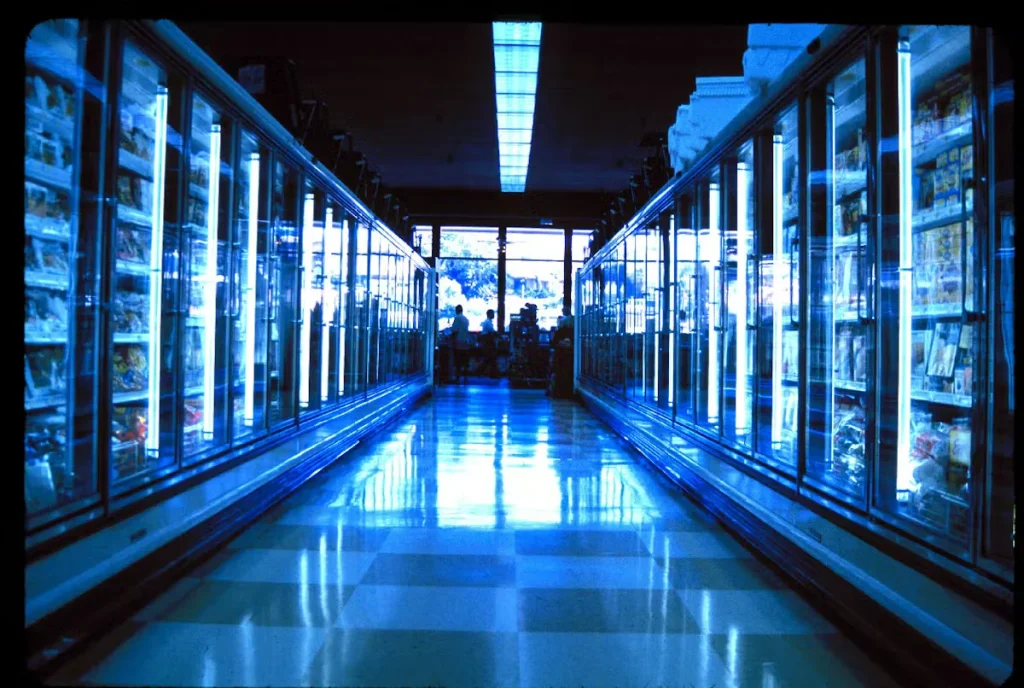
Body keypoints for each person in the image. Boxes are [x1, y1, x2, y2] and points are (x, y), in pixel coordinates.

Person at [450, 304, 471, 384]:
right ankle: (465, 378)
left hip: (459, 342)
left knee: (458, 361)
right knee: (465, 361)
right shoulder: (466, 319)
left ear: (456, 310)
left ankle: (457, 378)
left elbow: (454, 329)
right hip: (466, 342)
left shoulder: (457, 318)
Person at [476, 309, 498, 378]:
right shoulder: (488, 322)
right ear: (489, 314)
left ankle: (481, 372)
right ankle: (492, 374)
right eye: (493, 314)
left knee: (489, 359)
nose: (494, 315)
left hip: (487, 343)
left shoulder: (487, 322)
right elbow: (492, 332)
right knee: (490, 358)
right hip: (488, 343)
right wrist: (500, 336)